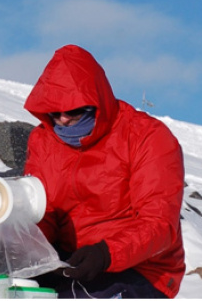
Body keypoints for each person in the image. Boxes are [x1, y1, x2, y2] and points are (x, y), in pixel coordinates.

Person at [23, 45, 185, 299]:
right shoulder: (43, 140)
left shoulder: (146, 136)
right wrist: (34, 250)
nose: (63, 119)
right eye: (54, 111)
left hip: (141, 266)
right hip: (70, 263)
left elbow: (160, 224)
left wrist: (106, 254)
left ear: (94, 101)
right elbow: (43, 210)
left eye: (73, 110)